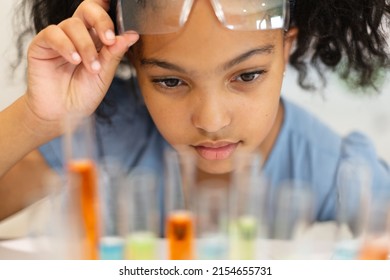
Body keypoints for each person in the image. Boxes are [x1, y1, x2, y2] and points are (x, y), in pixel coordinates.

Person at [1, 0, 389, 230]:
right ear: (131, 62)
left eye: (247, 75)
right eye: (170, 81)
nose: (211, 120)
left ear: (285, 48)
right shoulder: (106, 131)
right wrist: (37, 119)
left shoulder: (339, 177)